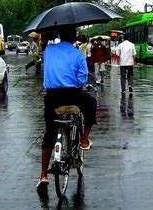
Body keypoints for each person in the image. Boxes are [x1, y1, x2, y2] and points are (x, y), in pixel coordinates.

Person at [37, 26, 97, 188]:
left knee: (50, 132)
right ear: (74, 38)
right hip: (72, 95)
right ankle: (84, 139)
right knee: (91, 103)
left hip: (52, 97)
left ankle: (43, 175)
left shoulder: (49, 50)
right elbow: (83, 79)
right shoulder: (78, 54)